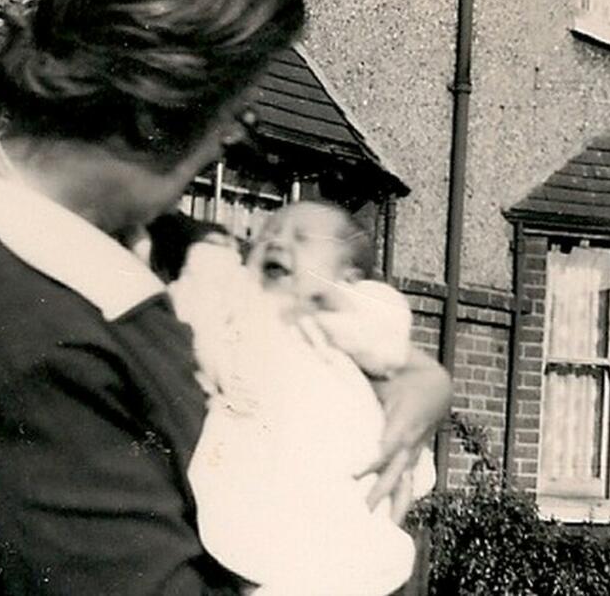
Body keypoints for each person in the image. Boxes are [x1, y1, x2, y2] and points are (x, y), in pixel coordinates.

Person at [0, 0, 452, 594]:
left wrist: (417, 377)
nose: (229, 140)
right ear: (150, 118)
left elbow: (282, 304)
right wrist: (401, 571)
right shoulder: (29, 349)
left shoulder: (101, 223)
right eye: (229, 114)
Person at [170, 202, 437, 595]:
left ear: (348, 277)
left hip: (339, 489)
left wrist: (333, 300)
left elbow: (386, 333)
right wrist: (211, 266)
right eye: (265, 235)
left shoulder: (348, 320)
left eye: (301, 237)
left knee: (357, 560)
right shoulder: (242, 312)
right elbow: (197, 319)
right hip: (258, 484)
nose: (276, 239)